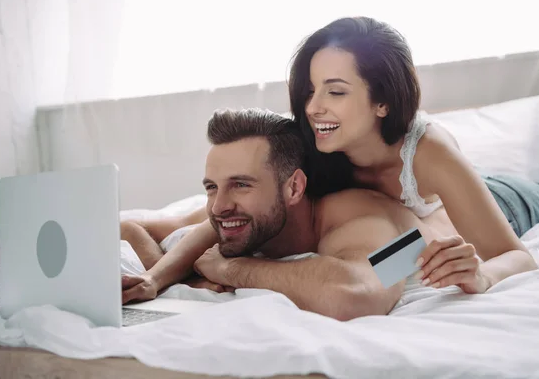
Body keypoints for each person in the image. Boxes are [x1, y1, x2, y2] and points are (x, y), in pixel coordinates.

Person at [287, 16, 539, 294]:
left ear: (383, 102)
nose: (313, 108)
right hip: (457, 202)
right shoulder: (309, 151)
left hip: (511, 203)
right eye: (310, 91)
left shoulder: (429, 152)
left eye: (335, 92)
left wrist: (482, 276)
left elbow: (519, 258)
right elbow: (391, 258)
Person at [121, 108, 443, 321]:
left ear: (294, 188)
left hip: (447, 217)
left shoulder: (372, 225)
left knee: (438, 145)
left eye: (241, 184)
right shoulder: (242, 213)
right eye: (211, 187)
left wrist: (230, 270)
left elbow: (355, 297)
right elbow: (129, 227)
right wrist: (155, 279)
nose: (219, 206)